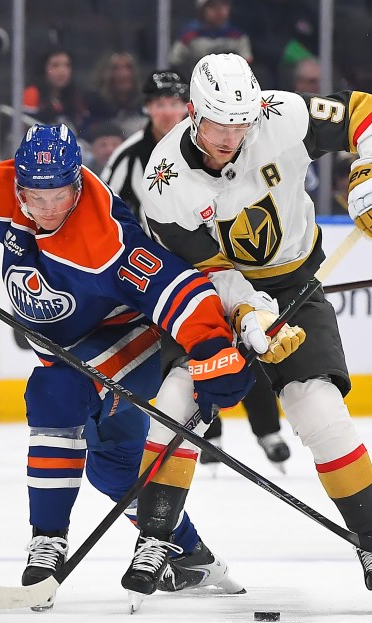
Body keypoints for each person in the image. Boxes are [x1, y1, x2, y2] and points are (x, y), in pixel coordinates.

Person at [0, 123, 253, 609]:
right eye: (34, 195)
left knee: (55, 391)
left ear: (79, 183)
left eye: (59, 195)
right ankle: (190, 553)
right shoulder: (0, 188)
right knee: (112, 469)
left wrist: (213, 346)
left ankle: (47, 542)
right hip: (72, 349)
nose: (46, 209)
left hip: (131, 340)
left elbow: (180, 291)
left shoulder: (104, 234)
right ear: (18, 183)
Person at [127, 53, 372, 610]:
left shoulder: (280, 114)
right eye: (218, 125)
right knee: (177, 400)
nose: (231, 137)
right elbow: (206, 273)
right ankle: (155, 539)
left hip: (294, 283)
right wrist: (249, 317)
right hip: (210, 293)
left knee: (320, 409)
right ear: (192, 113)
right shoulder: (164, 180)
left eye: (241, 125)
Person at [102, 69, 293, 471]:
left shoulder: (222, 149)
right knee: (197, 350)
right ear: (148, 108)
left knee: (248, 341)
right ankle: (209, 432)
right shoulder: (131, 157)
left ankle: (267, 431)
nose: (165, 110)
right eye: (158, 103)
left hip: (219, 261)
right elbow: (108, 215)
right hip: (163, 274)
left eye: (172, 102)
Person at [169, 0, 253, 79]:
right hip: (196, 83)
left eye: (223, 5)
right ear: (202, 10)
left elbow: (247, 63)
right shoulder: (190, 35)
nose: (219, 11)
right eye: (213, 6)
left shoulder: (237, 36)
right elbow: (175, 62)